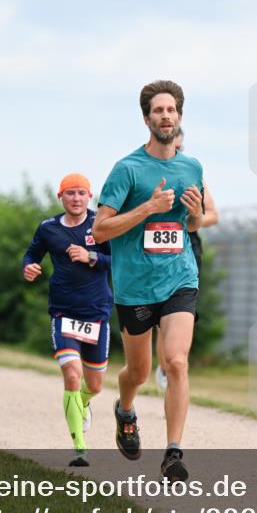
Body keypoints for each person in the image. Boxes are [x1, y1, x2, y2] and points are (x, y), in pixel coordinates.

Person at [93, 79, 204, 482]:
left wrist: (192, 216)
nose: (165, 116)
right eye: (158, 110)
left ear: (179, 116)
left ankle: (173, 452)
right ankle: (125, 410)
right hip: (135, 286)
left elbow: (192, 222)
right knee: (138, 372)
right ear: (146, 119)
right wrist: (149, 207)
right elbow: (100, 230)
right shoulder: (127, 169)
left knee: (175, 361)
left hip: (179, 276)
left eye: (171, 110)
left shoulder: (192, 167)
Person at [23, 174, 112, 467]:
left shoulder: (101, 224)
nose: (76, 198)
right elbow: (31, 254)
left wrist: (91, 257)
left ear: (90, 197)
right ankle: (80, 447)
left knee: (95, 385)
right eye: (70, 193)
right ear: (60, 197)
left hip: (97, 312)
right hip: (63, 313)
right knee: (72, 376)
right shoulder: (48, 228)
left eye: (81, 193)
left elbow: (121, 261)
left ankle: (83, 404)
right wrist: (30, 267)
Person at [154, 130, 219, 392]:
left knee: (181, 310)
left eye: (181, 148)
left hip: (188, 247)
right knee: (159, 313)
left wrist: (194, 217)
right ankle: (165, 365)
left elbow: (213, 214)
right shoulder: (150, 174)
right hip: (155, 248)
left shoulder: (193, 176)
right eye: (173, 147)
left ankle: (175, 366)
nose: (176, 152)